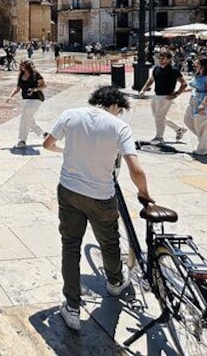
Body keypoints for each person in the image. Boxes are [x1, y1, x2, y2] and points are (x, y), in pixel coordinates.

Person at [43, 86, 152, 331]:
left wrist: (67, 152)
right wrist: (145, 194)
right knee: (109, 241)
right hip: (101, 195)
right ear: (116, 105)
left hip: (69, 190)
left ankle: (71, 306)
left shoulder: (71, 114)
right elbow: (136, 170)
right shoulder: (119, 127)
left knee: (70, 245)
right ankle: (115, 282)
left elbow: (47, 144)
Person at [138, 50, 188, 143]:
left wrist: (176, 93)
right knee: (158, 117)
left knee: (159, 117)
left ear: (169, 59)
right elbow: (151, 80)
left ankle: (159, 137)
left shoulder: (173, 70)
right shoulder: (156, 69)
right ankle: (178, 129)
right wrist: (143, 89)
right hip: (156, 95)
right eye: (159, 58)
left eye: (163, 58)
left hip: (166, 96)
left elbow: (184, 84)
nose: (161, 60)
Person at [6, 59, 47, 149]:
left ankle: (22, 140)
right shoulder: (21, 75)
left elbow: (44, 85)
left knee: (24, 118)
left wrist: (34, 89)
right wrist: (10, 96)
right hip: (26, 100)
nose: (21, 66)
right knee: (29, 119)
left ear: (27, 65)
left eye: (23, 64)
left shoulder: (35, 74)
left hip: (36, 99)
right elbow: (18, 88)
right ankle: (44, 134)